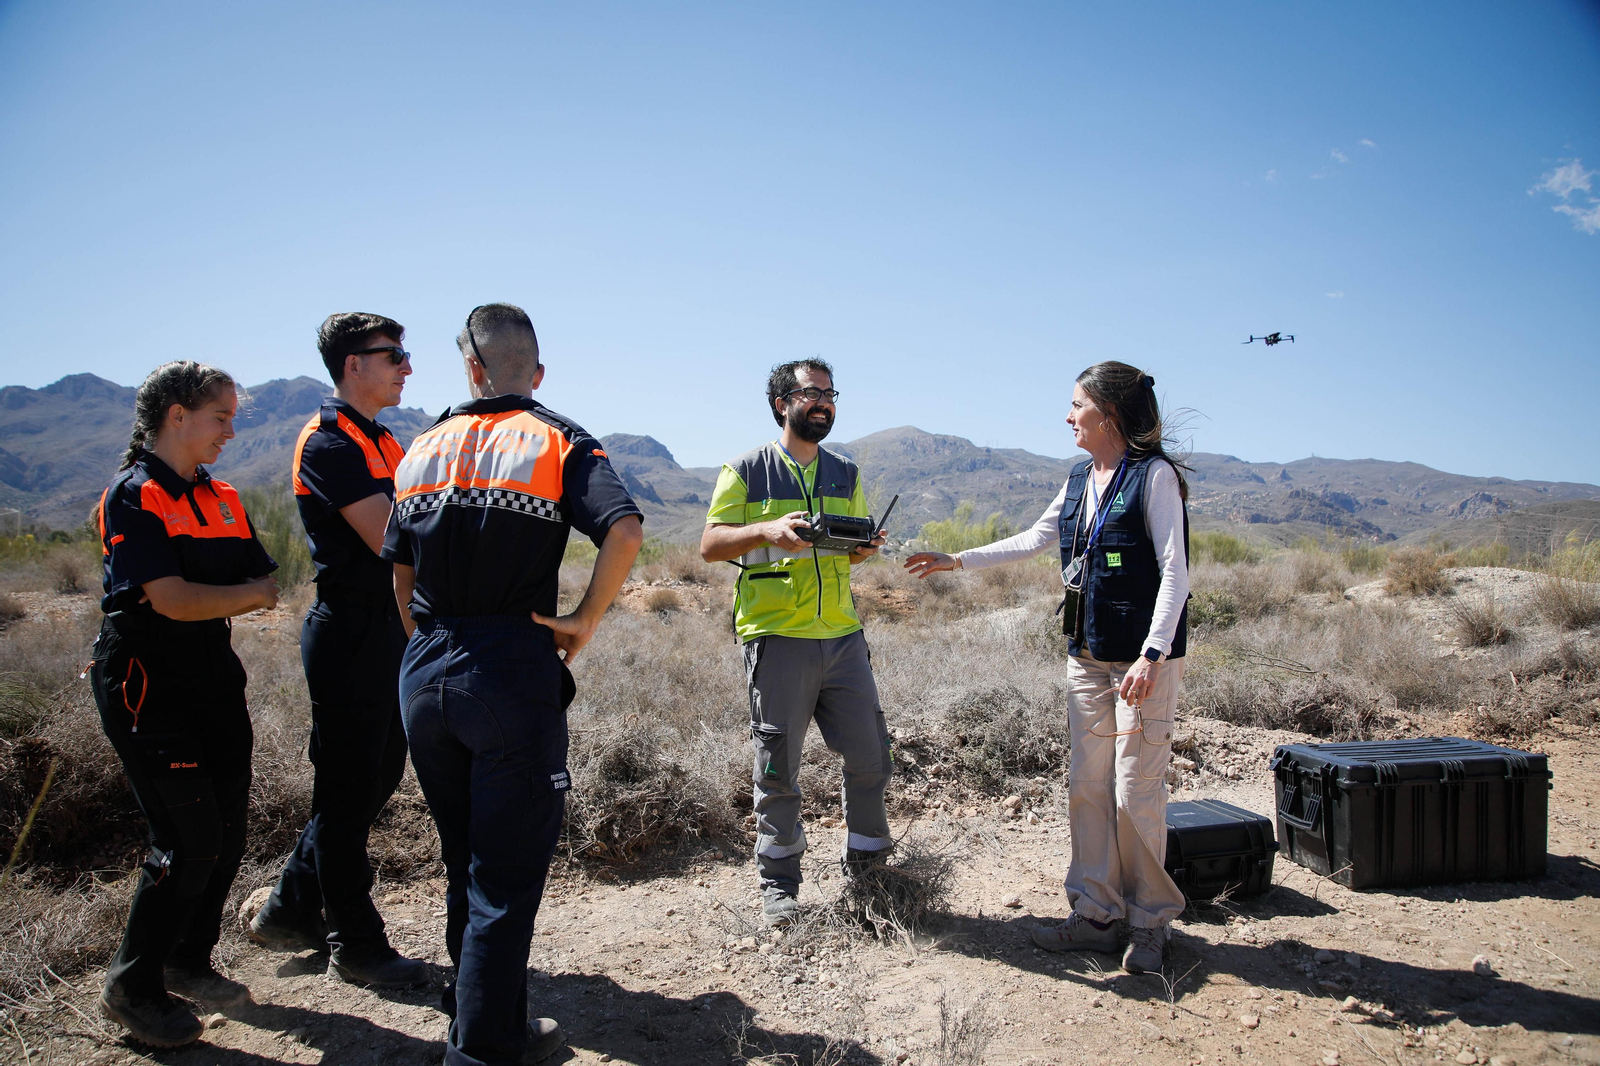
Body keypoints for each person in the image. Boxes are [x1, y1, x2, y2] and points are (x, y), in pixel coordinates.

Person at [383, 303, 643, 1066]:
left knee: (463, 858)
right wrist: (583, 620)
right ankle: (483, 1051)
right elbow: (624, 531)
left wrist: (427, 650)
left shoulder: (421, 446)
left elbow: (399, 573)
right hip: (509, 667)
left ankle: (481, 1017)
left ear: (469, 368)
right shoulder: (558, 438)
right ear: (535, 373)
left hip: (426, 667)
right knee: (505, 875)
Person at [904, 361, 1191, 975]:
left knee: (1134, 793)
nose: (1068, 417)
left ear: (1108, 414)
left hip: (1141, 665)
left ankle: (1148, 924)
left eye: (1077, 405)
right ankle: (1096, 913)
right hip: (1087, 659)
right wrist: (958, 559)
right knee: (1088, 789)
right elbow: (1036, 537)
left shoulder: (1154, 477)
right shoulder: (1081, 477)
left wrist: (1152, 653)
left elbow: (1175, 571)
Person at [89, 362, 280, 1046]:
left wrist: (232, 594)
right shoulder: (132, 494)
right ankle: (131, 985)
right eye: (220, 418)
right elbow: (171, 600)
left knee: (225, 828)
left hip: (212, 675)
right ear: (177, 415)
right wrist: (241, 596)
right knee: (187, 837)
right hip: (146, 682)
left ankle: (186, 960)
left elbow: (265, 577)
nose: (231, 432)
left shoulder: (222, 495)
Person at [248, 313, 428, 986]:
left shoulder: (379, 438)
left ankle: (290, 905)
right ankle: (356, 943)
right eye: (393, 355)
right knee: (348, 787)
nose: (406, 365)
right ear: (353, 365)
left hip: (388, 629)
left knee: (372, 780)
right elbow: (392, 535)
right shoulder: (328, 443)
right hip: (350, 630)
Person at [699, 358, 893, 928]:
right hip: (777, 637)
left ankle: (870, 872)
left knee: (869, 756)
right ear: (781, 403)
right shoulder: (745, 470)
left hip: (842, 636)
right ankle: (779, 887)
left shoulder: (845, 473)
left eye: (831, 394)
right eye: (812, 393)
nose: (824, 403)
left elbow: (851, 544)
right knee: (778, 766)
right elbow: (710, 544)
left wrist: (864, 548)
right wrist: (767, 531)